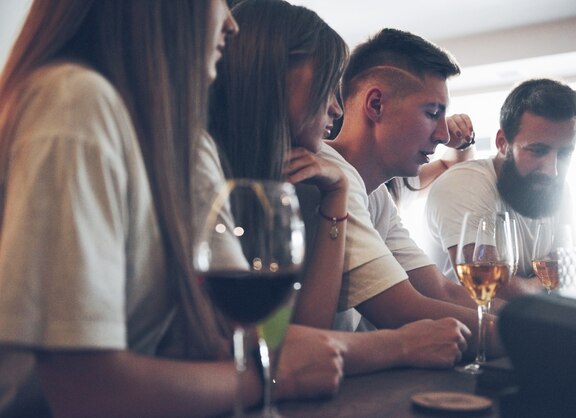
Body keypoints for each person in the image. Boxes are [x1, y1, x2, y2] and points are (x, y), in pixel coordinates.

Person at [0, 1, 466, 416]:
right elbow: (86, 392)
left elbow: (260, 334)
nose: (230, 24)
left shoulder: (188, 145)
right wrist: (272, 377)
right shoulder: (75, 102)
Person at [210, 0, 469, 365]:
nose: (335, 108)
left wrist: (337, 197)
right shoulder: (207, 160)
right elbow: (273, 350)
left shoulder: (293, 175)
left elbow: (293, 336)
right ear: (274, 73)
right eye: (326, 87)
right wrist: (402, 346)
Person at [320, 28, 505, 357]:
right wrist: (538, 339)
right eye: (432, 113)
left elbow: (441, 291)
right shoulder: (332, 175)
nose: (443, 133)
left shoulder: (376, 194)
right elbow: (403, 309)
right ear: (376, 105)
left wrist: (542, 320)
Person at [424, 78, 576, 298]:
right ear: (502, 142)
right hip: (463, 329)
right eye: (537, 150)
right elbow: (489, 286)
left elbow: (568, 271)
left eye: (564, 153)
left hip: (529, 326)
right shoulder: (466, 183)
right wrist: (544, 285)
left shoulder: (558, 188)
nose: (552, 170)